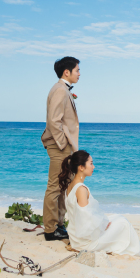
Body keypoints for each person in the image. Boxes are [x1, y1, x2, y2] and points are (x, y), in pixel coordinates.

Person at [60, 150, 140, 256]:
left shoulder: (70, 186)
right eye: (90, 163)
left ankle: (136, 249)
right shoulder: (81, 189)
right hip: (85, 243)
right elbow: (85, 220)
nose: (93, 167)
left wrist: (103, 224)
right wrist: (102, 226)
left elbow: (84, 216)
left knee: (116, 217)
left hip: (76, 239)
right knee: (124, 223)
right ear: (81, 167)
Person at [41, 56, 80, 242]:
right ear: (67, 72)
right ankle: (50, 230)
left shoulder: (64, 90)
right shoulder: (59, 90)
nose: (79, 74)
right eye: (77, 70)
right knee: (55, 187)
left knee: (63, 186)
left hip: (65, 146)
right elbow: (53, 121)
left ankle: (59, 225)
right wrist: (63, 143)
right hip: (60, 146)